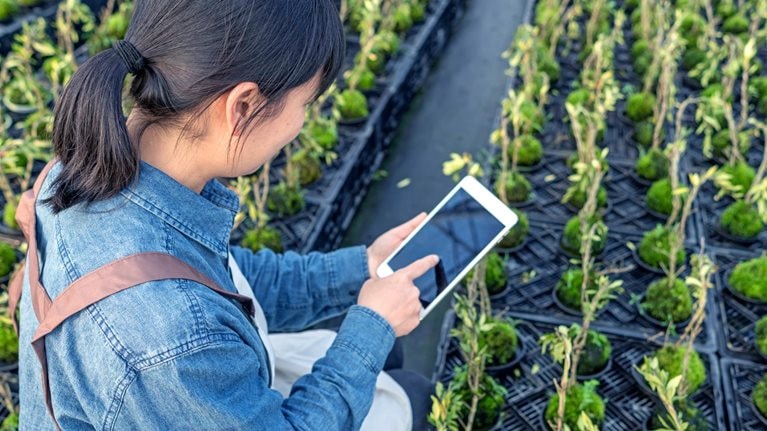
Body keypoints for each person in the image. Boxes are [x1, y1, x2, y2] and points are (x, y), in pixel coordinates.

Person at [14, 1, 438, 429]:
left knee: (387, 352)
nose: (303, 123)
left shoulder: (81, 170)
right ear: (242, 106)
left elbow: (228, 280)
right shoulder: (174, 338)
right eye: (306, 103)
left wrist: (362, 267)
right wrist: (370, 330)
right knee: (410, 389)